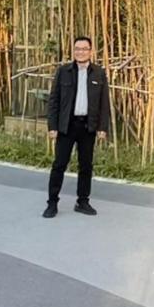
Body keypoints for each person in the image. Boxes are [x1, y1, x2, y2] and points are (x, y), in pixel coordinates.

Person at [43, 36, 111, 218]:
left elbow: (104, 103)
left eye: (84, 49)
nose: (81, 52)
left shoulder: (99, 73)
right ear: (73, 51)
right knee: (59, 164)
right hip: (67, 125)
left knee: (86, 165)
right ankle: (52, 203)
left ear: (90, 51)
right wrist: (52, 126)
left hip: (88, 125)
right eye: (77, 49)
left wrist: (102, 127)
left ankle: (83, 201)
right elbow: (54, 100)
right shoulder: (63, 71)